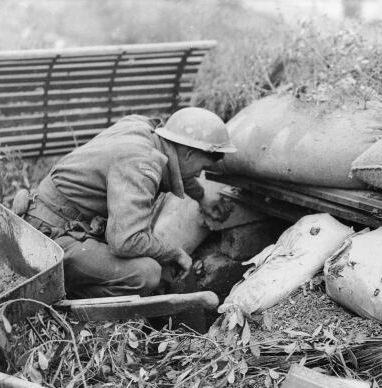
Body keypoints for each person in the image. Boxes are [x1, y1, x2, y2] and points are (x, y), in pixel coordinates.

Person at [17, 107, 236, 298]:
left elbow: (178, 169)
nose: (198, 175)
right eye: (200, 169)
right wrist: (175, 252)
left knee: (155, 259)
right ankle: (61, 297)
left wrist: (201, 197)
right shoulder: (141, 164)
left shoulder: (144, 130)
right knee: (147, 273)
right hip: (46, 242)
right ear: (188, 153)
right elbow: (125, 241)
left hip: (51, 219)